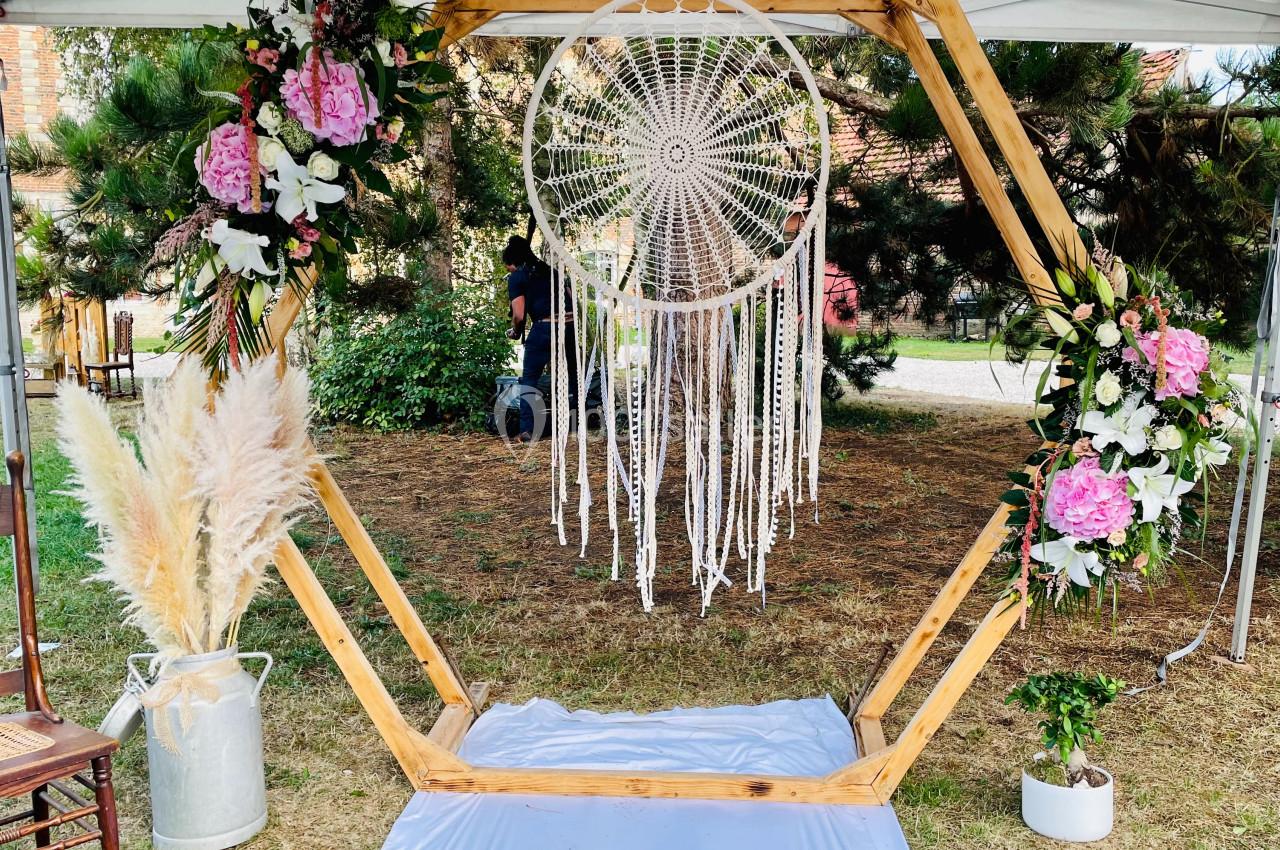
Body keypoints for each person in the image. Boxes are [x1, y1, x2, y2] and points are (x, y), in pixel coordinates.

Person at [504, 235, 577, 442]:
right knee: (573, 375)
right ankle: (577, 422)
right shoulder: (552, 271)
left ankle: (527, 430)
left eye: (508, 268)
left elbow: (518, 315)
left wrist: (515, 332)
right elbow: (571, 298)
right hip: (569, 327)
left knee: (529, 379)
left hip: (544, 328)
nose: (509, 273)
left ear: (513, 262)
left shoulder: (517, 277)